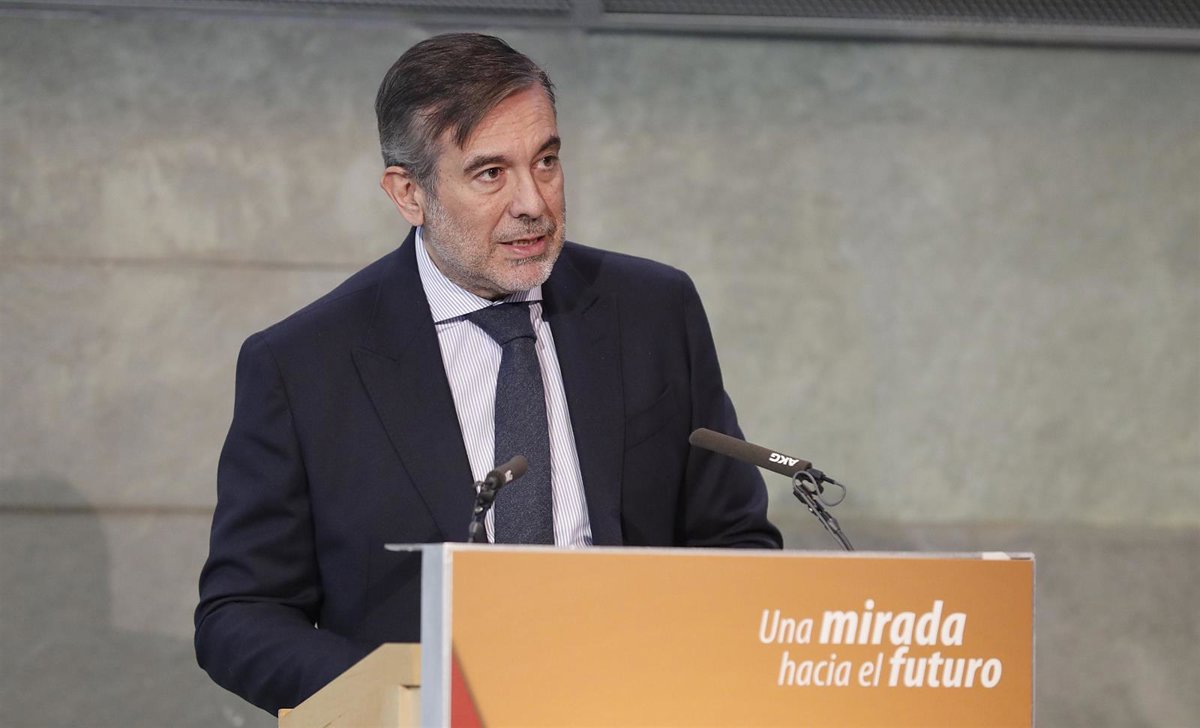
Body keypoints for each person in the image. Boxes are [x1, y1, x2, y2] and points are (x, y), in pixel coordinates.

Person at [195, 32, 781, 715]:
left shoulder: (653, 310)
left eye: (547, 161)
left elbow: (734, 543)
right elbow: (241, 614)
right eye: (490, 174)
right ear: (409, 193)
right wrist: (409, 696)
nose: (533, 202)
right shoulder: (304, 365)